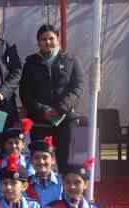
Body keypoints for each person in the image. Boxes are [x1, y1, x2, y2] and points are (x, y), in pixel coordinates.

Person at [20, 24, 83, 174]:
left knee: (67, 161)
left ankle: (66, 192)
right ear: (38, 42)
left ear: (58, 39)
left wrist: (61, 108)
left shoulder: (71, 59)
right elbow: (25, 92)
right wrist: (43, 110)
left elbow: (77, 87)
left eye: (51, 38)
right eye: (43, 39)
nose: (48, 42)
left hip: (65, 118)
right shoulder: (30, 63)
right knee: (40, 160)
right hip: (40, 120)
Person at [26, 136, 63, 206]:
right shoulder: (25, 184)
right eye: (36, 158)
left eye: (45, 157)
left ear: (53, 159)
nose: (41, 162)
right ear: (31, 161)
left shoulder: (62, 183)